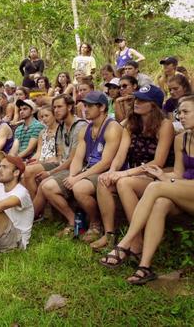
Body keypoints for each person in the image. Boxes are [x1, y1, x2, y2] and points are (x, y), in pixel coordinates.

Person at [99, 95, 194, 285]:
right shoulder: (182, 139)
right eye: (179, 112)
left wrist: (165, 182)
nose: (181, 116)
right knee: (160, 203)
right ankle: (145, 265)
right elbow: (177, 173)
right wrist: (164, 176)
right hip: (185, 192)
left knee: (155, 187)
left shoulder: (165, 126)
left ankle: (126, 243)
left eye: (186, 112)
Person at [94, 85, 173, 250]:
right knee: (103, 180)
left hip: (158, 174)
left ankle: (136, 240)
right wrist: (112, 171)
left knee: (124, 183)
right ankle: (110, 234)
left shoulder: (165, 125)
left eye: (142, 100)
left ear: (154, 105)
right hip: (137, 173)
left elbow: (158, 162)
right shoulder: (132, 123)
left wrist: (125, 174)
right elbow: (121, 155)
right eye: (136, 98)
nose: (136, 102)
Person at [41, 91, 122, 239]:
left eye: (90, 106)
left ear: (102, 107)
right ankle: (73, 221)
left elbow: (106, 162)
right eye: (84, 105)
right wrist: (72, 176)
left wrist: (78, 178)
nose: (85, 109)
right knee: (47, 187)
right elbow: (78, 158)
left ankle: (95, 224)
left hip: (103, 171)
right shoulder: (86, 129)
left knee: (79, 188)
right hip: (87, 169)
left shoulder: (112, 127)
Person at [30, 94, 88, 218]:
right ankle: (31, 217)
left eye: (60, 107)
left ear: (70, 107)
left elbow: (73, 159)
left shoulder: (80, 126)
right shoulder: (61, 127)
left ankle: (72, 220)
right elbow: (61, 155)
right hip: (64, 166)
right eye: (54, 107)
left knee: (46, 185)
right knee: (37, 179)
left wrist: (51, 173)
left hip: (78, 167)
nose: (56, 110)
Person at [21, 105, 58, 200]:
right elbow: (39, 152)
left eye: (47, 115)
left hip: (54, 162)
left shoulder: (60, 131)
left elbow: (58, 155)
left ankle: (34, 203)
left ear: (54, 115)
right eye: (42, 117)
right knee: (23, 168)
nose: (44, 119)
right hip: (43, 160)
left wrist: (41, 162)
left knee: (28, 171)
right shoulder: (42, 132)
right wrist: (32, 160)